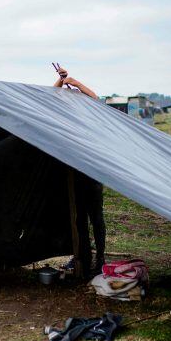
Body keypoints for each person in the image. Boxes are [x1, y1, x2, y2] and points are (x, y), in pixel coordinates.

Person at [52, 64, 105, 275]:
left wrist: (75, 82)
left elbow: (95, 99)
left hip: (92, 174)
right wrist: (61, 80)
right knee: (79, 218)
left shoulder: (89, 117)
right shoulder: (65, 120)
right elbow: (50, 96)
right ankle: (83, 256)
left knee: (96, 217)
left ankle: (100, 257)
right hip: (75, 175)